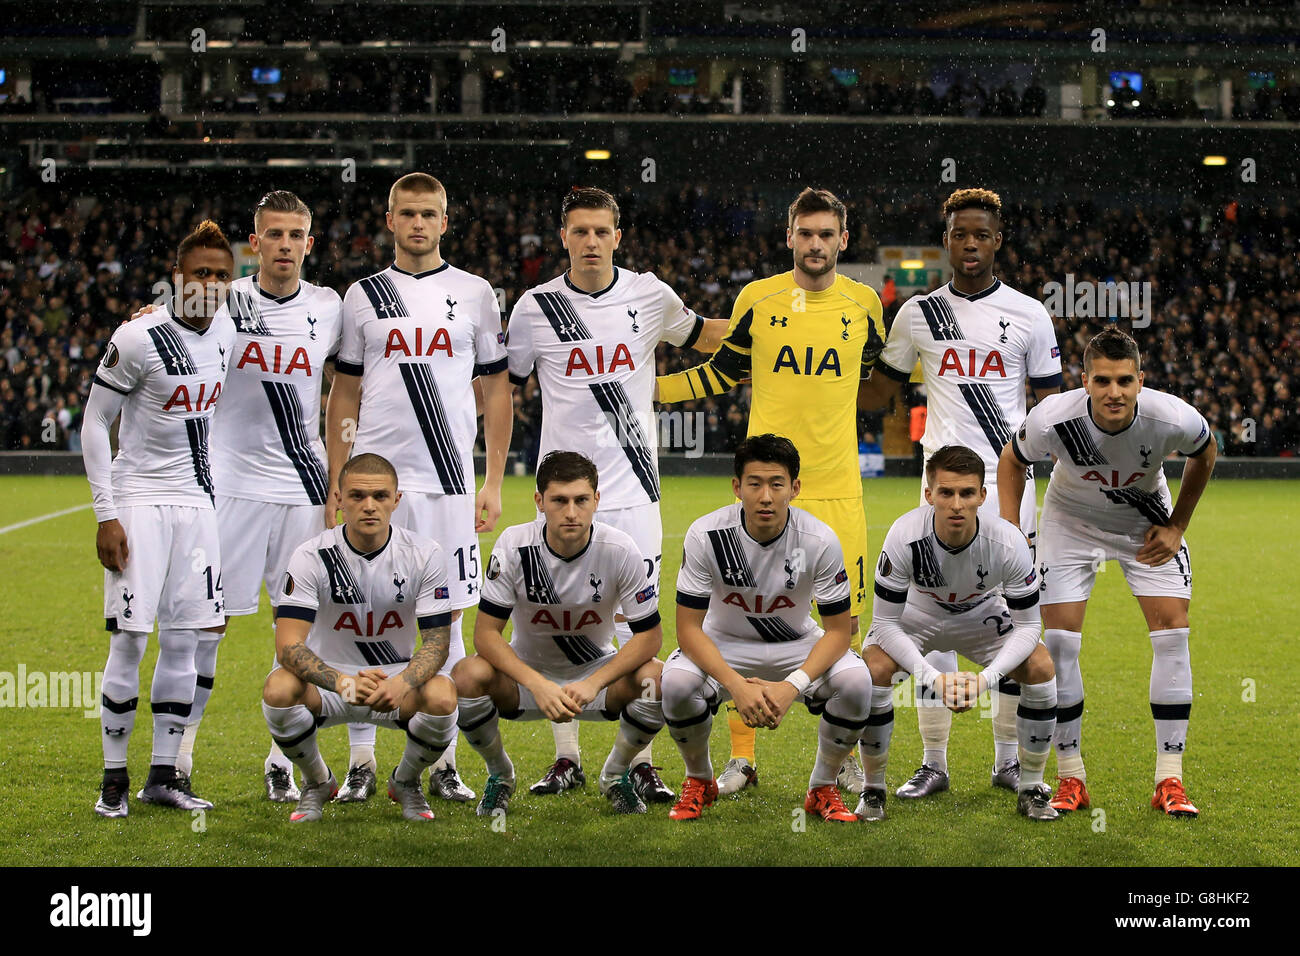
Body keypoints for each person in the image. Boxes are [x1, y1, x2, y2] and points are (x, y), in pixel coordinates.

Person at [656, 187, 886, 797]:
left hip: (838, 491)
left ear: (843, 238)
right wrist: (650, 391)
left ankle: (846, 763)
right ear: (790, 237)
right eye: (804, 233)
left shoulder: (865, 304)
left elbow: (886, 374)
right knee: (741, 621)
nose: (815, 244)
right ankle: (742, 757)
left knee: (846, 631)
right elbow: (721, 372)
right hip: (767, 486)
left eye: (825, 234)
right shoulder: (757, 299)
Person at [504, 186, 727, 802]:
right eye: (580, 231)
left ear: (618, 236)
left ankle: (640, 758)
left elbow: (702, 335)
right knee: (561, 618)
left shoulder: (650, 294)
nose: (592, 242)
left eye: (602, 231)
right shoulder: (534, 307)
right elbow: (503, 381)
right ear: (564, 237)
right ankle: (567, 756)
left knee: (637, 627)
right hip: (563, 491)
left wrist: (778, 317)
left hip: (633, 490)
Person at [858, 186, 1062, 800]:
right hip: (940, 488)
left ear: (998, 241)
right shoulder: (918, 313)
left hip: (1008, 488)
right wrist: (842, 351)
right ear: (945, 241)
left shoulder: (1030, 314)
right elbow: (877, 394)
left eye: (981, 234)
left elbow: (1050, 410)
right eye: (958, 235)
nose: (969, 244)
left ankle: (1006, 762)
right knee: (935, 615)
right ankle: (934, 762)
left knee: (1009, 623)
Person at [327, 171, 512, 803]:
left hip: (452, 486)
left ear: (444, 221)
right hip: (380, 486)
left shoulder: (477, 294)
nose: (418, 224)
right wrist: (337, 479)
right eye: (407, 213)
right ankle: (360, 762)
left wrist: (491, 479)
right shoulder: (362, 296)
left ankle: (443, 760)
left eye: (429, 214)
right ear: (390, 220)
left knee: (449, 619)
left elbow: (495, 390)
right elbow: (344, 391)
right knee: (368, 615)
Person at [164, 190, 345, 805]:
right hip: (231, 491)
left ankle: (281, 760)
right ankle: (179, 759)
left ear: (309, 244)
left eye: (297, 235)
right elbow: (164, 323)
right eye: (275, 234)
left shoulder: (331, 307)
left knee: (300, 636)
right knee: (205, 625)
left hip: (304, 491)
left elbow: (352, 384)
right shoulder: (223, 301)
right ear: (255, 241)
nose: (286, 246)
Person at [997, 327, 1216, 817]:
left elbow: (1206, 452)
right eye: (1102, 381)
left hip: (1145, 522)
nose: (1113, 392)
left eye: (1123, 381)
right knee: (1058, 643)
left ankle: (1170, 780)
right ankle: (1071, 778)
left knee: (1172, 633)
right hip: (1070, 523)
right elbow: (1011, 460)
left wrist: (1178, 525)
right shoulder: (1054, 417)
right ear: (1085, 380)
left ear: (1141, 380)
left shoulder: (1170, 416)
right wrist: (1011, 532)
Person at [83, 220, 237, 817]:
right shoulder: (139, 336)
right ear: (177, 278)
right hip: (139, 503)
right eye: (200, 272)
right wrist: (106, 514)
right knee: (130, 641)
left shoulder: (227, 326)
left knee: (186, 643)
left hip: (200, 509)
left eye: (222, 275)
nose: (211, 283)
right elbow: (95, 424)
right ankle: (112, 780)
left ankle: (163, 777)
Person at [663, 434, 872, 823]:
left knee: (859, 683)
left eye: (777, 484)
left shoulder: (819, 539)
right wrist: (736, 685)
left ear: (795, 488)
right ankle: (699, 779)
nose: (765, 496)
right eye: (754, 483)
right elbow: (688, 630)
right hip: (723, 644)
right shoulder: (706, 534)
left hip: (796, 643)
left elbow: (839, 633)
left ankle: (822, 786)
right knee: (673, 684)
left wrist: (791, 684)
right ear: (736, 487)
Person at [453, 451, 666, 816]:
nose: (571, 512)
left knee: (658, 680)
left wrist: (594, 683)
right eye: (559, 501)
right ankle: (500, 776)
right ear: (539, 501)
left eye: (581, 500)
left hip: (593, 676)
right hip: (526, 681)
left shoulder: (619, 549)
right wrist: (537, 684)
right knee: (467, 676)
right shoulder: (514, 546)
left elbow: (649, 637)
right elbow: (486, 635)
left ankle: (615, 776)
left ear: (597, 500)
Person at [861, 444, 1059, 822]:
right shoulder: (904, 535)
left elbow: (1030, 626)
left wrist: (986, 680)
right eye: (946, 493)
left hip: (980, 614)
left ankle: (1030, 786)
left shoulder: (1008, 541)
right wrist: (930, 676)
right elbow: (885, 624)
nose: (956, 504)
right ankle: (875, 791)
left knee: (1040, 666)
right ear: (928, 493)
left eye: (967, 493)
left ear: (983, 496)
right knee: (873, 670)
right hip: (918, 615)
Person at [262, 453, 458, 823]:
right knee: (278, 689)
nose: (369, 506)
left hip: (394, 680)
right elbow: (288, 646)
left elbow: (437, 643)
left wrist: (403, 682)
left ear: (397, 500)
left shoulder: (425, 554)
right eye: (356, 496)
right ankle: (317, 781)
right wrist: (341, 682)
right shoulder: (311, 555)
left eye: (381, 496)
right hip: (330, 682)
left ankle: (406, 781)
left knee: (443, 696)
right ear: (338, 499)